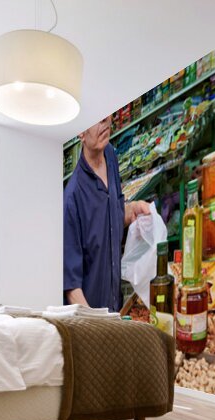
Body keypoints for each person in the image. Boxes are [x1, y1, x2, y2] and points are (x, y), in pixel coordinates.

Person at [63, 116, 150, 311]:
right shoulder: (72, 199)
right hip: (91, 316)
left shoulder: (110, 155)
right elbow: (71, 288)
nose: (104, 119)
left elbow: (111, 217)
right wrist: (97, 323)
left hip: (115, 307)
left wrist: (133, 209)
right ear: (80, 132)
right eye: (95, 117)